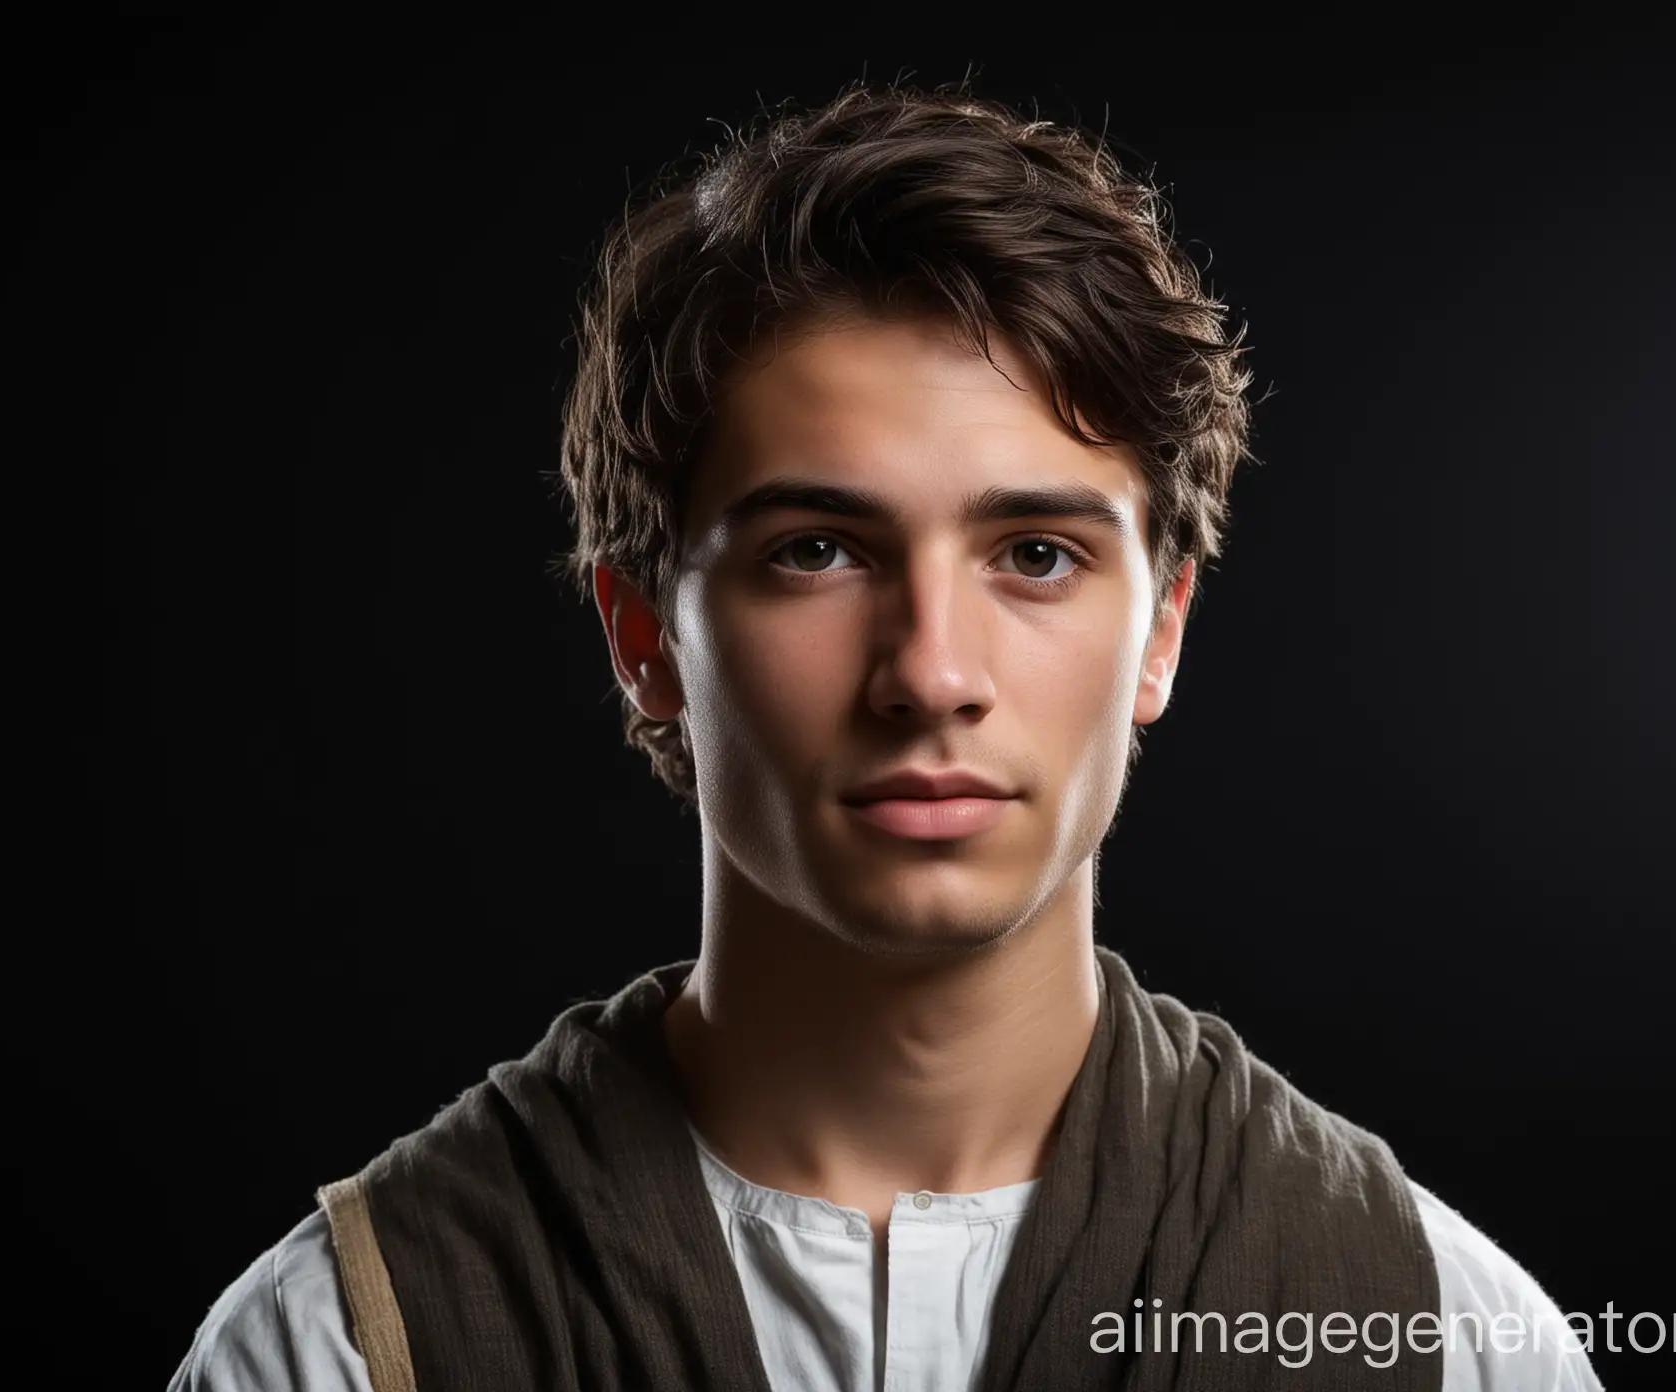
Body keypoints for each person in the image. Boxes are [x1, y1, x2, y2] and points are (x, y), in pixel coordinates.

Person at [170, 82, 1602, 1392]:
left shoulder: (1448, 1340)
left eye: (1035, 554)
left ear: (1160, 629)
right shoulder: (348, 1350)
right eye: (817, 551)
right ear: (643, 638)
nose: (931, 673)